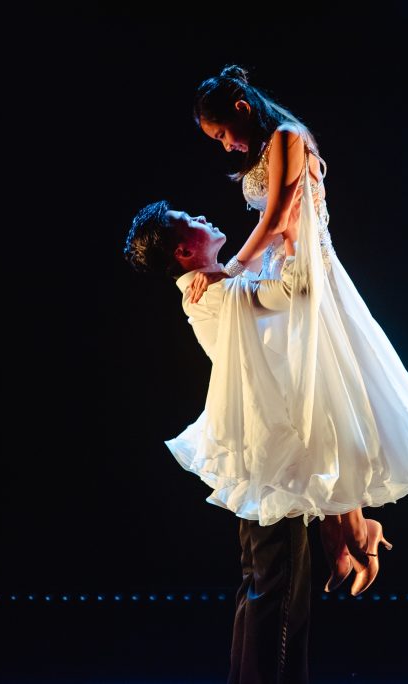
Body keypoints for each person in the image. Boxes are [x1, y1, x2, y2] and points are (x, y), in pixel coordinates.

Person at [187, 64, 408, 598]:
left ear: (243, 111)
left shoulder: (288, 138)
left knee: (325, 395)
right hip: (287, 273)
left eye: (224, 134)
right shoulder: (273, 145)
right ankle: (348, 532)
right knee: (312, 403)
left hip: (308, 277)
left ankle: (353, 531)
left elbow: (275, 220)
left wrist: (230, 270)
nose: (226, 147)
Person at [123, 201, 311, 683]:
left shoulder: (212, 287)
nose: (205, 217)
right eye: (193, 221)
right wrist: (302, 232)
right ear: (186, 250)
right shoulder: (217, 295)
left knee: (260, 581)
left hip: (254, 449)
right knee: (277, 587)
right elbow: (296, 289)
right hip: (267, 451)